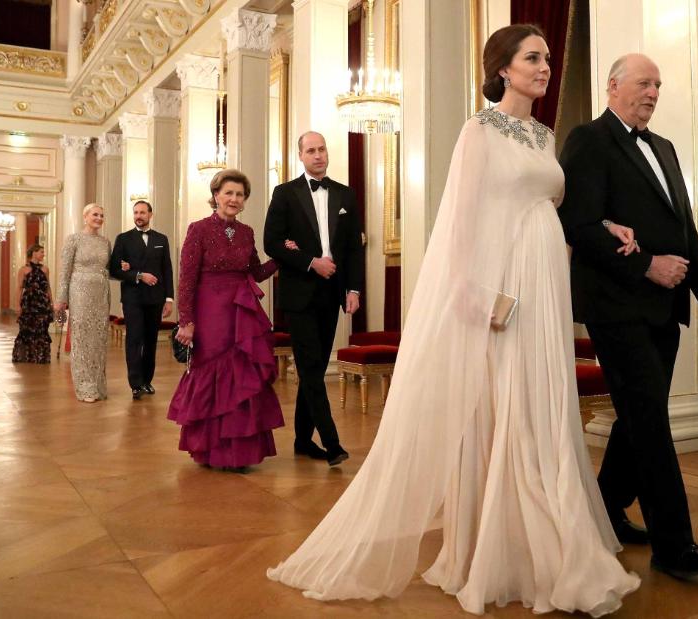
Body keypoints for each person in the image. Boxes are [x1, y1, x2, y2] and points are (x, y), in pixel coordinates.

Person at [267, 25, 640, 615]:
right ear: (503, 68)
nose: (545, 67)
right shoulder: (479, 130)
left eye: (546, 57)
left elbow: (548, 208)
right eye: (533, 58)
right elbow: (461, 220)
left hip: (547, 282)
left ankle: (545, 535)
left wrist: (603, 228)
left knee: (542, 403)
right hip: (504, 286)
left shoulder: (545, 135)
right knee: (504, 404)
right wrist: (472, 294)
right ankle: (496, 548)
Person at [557, 53, 698, 579]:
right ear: (613, 86)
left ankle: (605, 508)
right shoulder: (589, 139)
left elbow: (685, 231)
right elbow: (579, 225)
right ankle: (674, 545)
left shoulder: (667, 148)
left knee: (640, 415)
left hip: (665, 309)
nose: (653, 92)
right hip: (616, 306)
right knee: (651, 422)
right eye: (643, 83)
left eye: (658, 84)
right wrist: (648, 267)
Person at [168, 169, 284, 471]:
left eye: (240, 195)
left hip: (241, 311)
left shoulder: (247, 232)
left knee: (242, 376)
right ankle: (211, 450)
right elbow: (187, 280)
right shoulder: (198, 229)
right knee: (213, 373)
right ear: (216, 195)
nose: (234, 199)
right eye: (228, 193)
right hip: (210, 312)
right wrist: (187, 320)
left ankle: (239, 453)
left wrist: (283, 257)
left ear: (245, 201)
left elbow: (256, 271)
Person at [263, 131, 364, 467]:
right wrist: (310, 261)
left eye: (322, 149)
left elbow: (352, 249)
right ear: (300, 156)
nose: (318, 155)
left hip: (332, 292)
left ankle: (303, 440)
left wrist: (353, 290)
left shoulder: (345, 194)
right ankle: (332, 443)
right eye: (311, 150)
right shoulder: (284, 193)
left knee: (316, 368)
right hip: (300, 292)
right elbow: (272, 243)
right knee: (309, 367)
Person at [109, 200, 175, 400]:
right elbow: (114, 269)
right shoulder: (123, 238)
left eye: (142, 212)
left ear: (150, 214)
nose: (138, 215)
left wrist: (169, 299)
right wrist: (138, 275)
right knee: (134, 339)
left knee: (150, 340)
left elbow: (167, 270)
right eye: (136, 212)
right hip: (133, 298)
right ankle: (135, 384)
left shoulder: (161, 239)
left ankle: (147, 381)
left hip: (156, 299)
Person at [54, 204, 112, 403]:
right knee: (82, 339)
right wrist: (61, 298)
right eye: (95, 214)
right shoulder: (74, 240)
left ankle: (97, 385)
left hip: (101, 293)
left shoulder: (105, 242)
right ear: (85, 216)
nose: (99, 218)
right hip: (79, 292)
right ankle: (85, 387)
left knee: (99, 338)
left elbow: (109, 269)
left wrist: (125, 267)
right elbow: (64, 271)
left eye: (102, 215)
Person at [12, 244, 53, 364]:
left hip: (42, 303)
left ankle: (41, 356)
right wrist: (17, 305)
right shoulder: (23, 270)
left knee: (42, 329)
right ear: (34, 253)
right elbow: (19, 288)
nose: (43, 254)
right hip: (28, 303)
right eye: (41, 252)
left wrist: (51, 302)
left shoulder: (45, 269)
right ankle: (27, 356)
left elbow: (48, 287)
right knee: (26, 329)